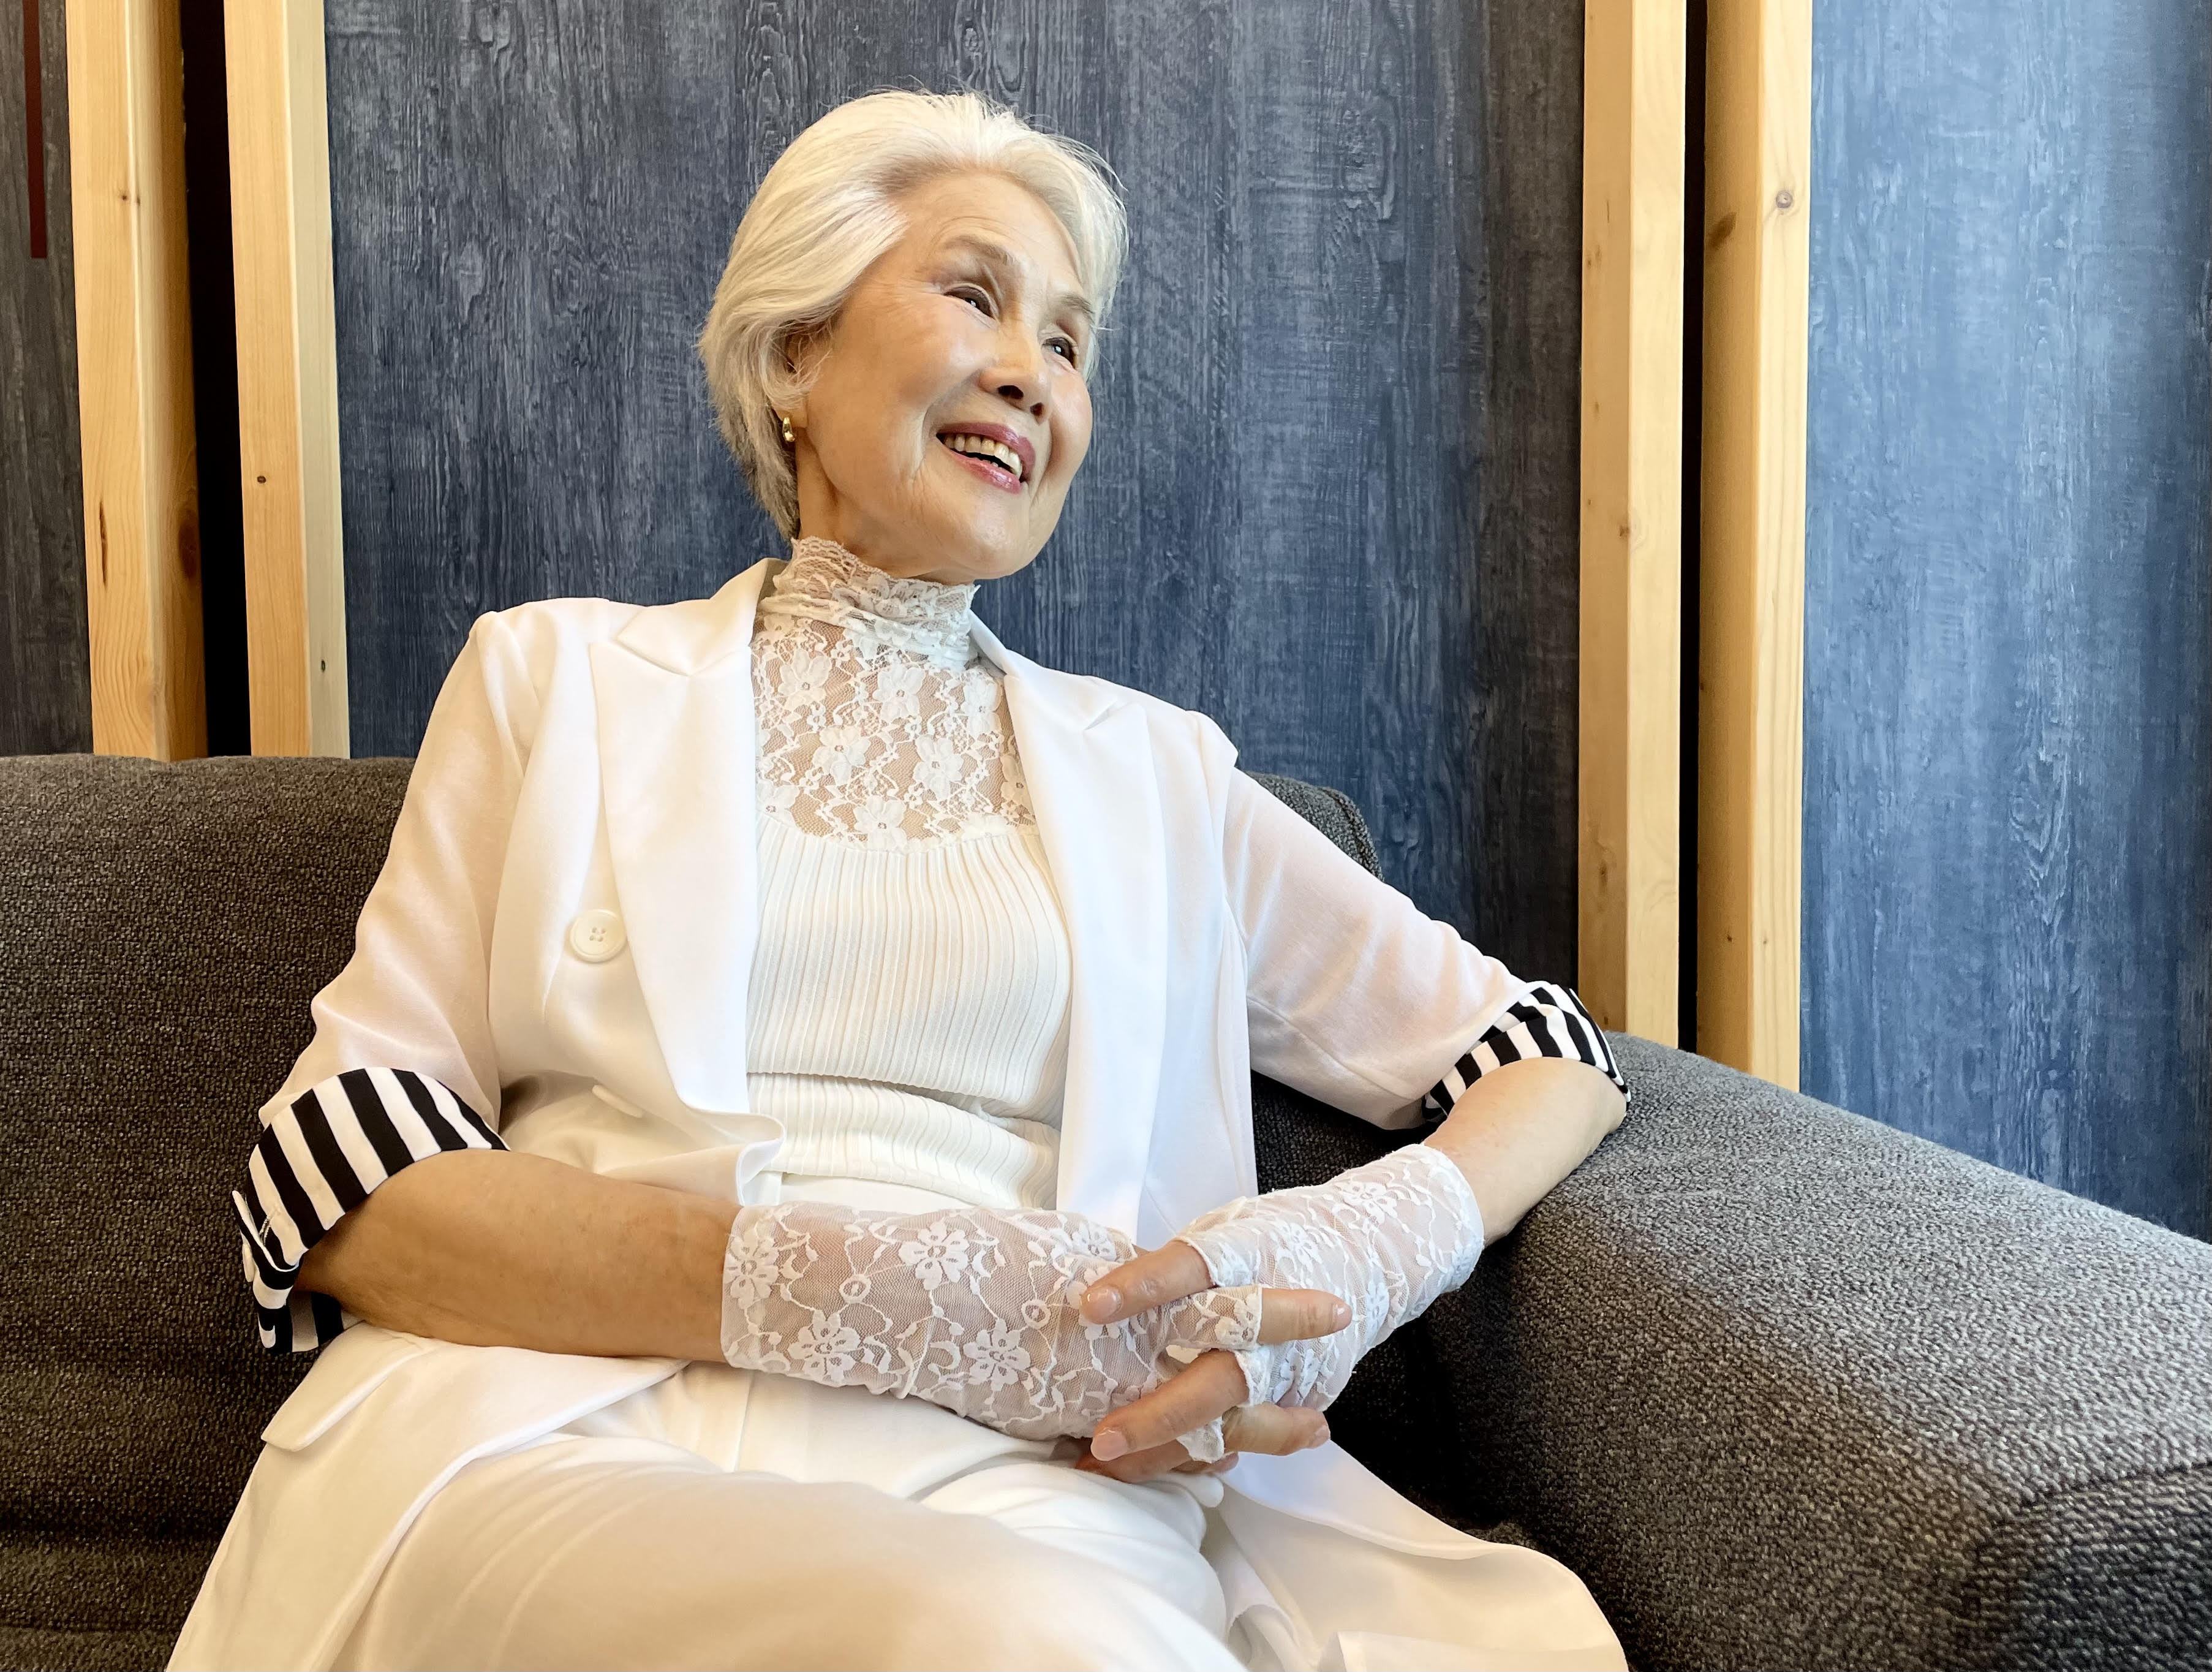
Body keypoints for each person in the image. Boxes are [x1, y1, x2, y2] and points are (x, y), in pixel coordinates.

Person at [172, 90, 1632, 1672]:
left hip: (1037, 1474)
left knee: (1050, 1636)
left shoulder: (1159, 778)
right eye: (975, 295)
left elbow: (1541, 1056)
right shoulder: (557, 680)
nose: (1032, 372)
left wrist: (1354, 1247)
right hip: (559, 1429)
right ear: (793, 352)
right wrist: (883, 1293)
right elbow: (338, 1183)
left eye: (1068, 341)